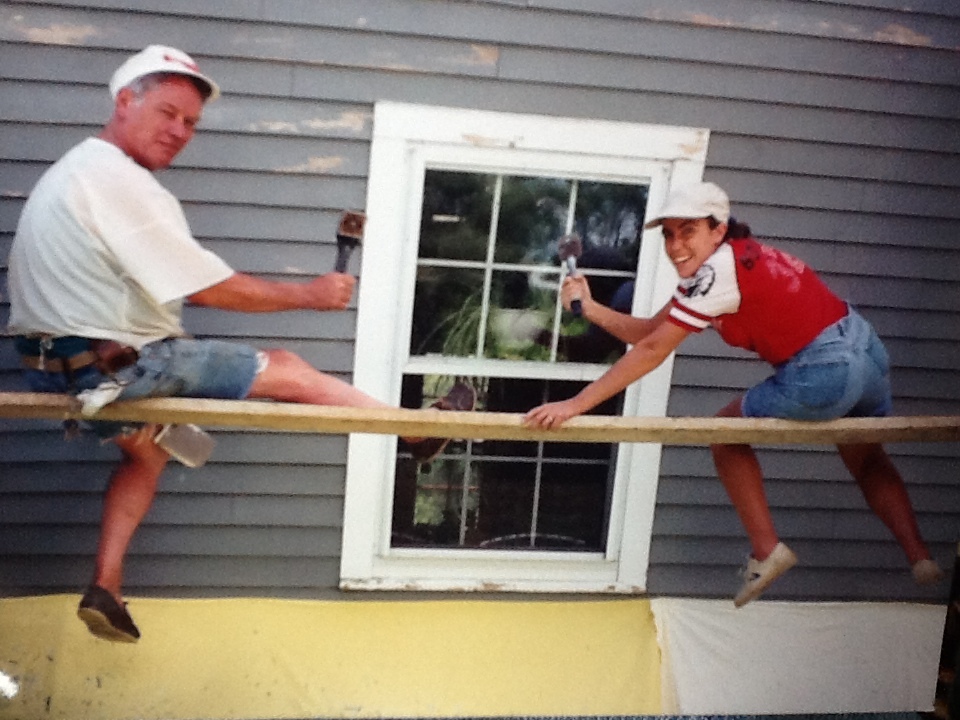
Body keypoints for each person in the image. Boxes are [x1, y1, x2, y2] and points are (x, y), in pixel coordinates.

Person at [6, 45, 475, 643]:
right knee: (286, 368)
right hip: (116, 365)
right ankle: (415, 429)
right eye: (168, 113)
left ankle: (106, 587)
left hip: (53, 368)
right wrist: (310, 295)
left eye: (191, 123)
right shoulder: (116, 180)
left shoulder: (77, 169)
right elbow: (208, 289)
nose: (180, 131)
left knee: (146, 454)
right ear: (125, 100)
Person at [523, 181, 943, 607]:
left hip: (827, 369)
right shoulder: (735, 262)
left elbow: (652, 351)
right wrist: (590, 308)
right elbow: (650, 332)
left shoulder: (713, 275)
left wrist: (575, 404)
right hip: (866, 351)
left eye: (687, 232)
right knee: (867, 455)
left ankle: (767, 552)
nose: (674, 245)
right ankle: (919, 557)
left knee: (724, 436)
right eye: (668, 234)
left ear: (718, 230)